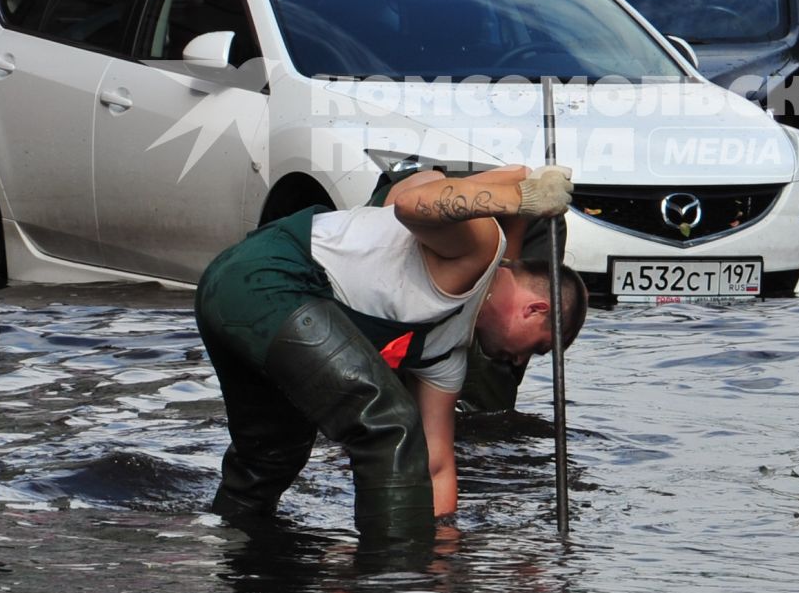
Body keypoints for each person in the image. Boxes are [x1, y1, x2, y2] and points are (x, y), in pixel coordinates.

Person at [194, 164, 587, 541]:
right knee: (389, 424)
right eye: (536, 348)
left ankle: (234, 562)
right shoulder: (482, 247)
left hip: (235, 297)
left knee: (272, 458)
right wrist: (522, 196)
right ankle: (393, 588)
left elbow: (436, 465)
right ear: (536, 310)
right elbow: (412, 202)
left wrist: (445, 552)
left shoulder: (446, 351)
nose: (519, 362)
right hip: (266, 279)